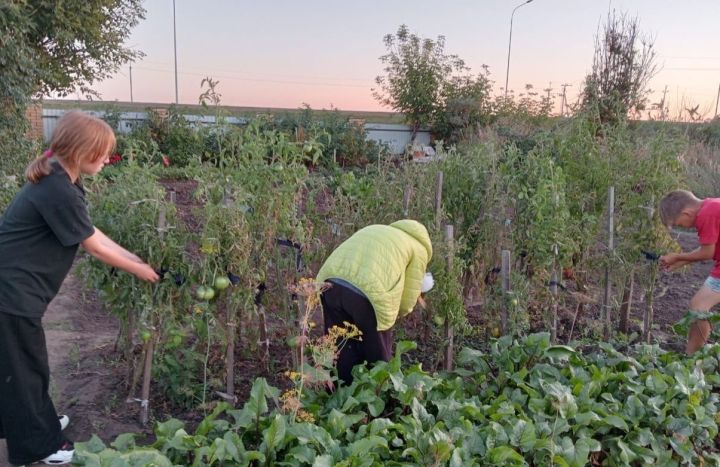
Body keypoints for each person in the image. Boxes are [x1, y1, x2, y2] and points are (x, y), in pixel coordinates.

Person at [0, 111, 159, 466]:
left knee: (24, 366)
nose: (107, 158)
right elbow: (93, 246)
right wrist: (139, 270)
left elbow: (91, 231)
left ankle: (31, 425)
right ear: (81, 150)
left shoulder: (60, 176)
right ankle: (37, 447)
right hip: (11, 294)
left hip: (16, 291)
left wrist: (134, 257)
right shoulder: (57, 188)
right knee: (25, 370)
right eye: (102, 152)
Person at [316, 219, 433, 385]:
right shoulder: (420, 249)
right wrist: (395, 316)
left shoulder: (379, 229)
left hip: (330, 282)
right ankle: (381, 400)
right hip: (368, 291)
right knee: (377, 357)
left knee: (340, 345)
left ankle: (338, 397)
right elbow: (408, 298)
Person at [659, 189, 720, 354]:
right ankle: (693, 355)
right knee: (698, 306)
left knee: (699, 307)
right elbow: (710, 248)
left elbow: (707, 253)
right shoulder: (711, 206)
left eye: (679, 224)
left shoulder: (706, 215)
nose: (683, 227)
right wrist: (680, 261)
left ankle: (692, 357)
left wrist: (677, 256)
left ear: (686, 213)